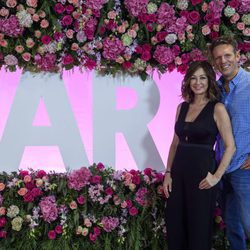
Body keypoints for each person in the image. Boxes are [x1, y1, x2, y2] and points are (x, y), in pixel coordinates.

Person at [163, 60, 235, 250]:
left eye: (203, 77)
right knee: (175, 226)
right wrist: (168, 173)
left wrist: (216, 177)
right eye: (193, 78)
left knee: (198, 228)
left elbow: (230, 147)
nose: (198, 82)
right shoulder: (182, 107)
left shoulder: (217, 108)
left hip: (202, 176)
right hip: (178, 176)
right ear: (188, 81)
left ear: (210, 80)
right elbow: (174, 144)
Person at [210, 36, 250, 250]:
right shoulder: (215, 89)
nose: (223, 61)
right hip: (222, 168)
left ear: (237, 56)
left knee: (248, 223)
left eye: (227, 55)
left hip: (245, 168)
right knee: (233, 226)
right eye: (218, 58)